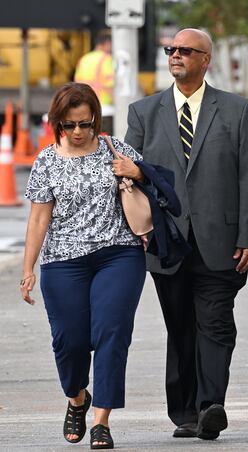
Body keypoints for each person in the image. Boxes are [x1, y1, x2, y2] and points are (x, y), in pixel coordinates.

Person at [125, 28, 248, 441]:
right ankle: (185, 410)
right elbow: (128, 181)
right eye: (171, 49)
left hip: (221, 240)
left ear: (206, 59)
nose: (176, 55)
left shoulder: (237, 110)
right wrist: (138, 232)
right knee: (180, 325)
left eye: (186, 50)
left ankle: (210, 405)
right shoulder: (143, 113)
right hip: (166, 241)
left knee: (216, 321)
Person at [20, 82, 147, 449]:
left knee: (111, 331)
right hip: (63, 261)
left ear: (96, 120)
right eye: (69, 125)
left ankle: (101, 422)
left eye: (85, 124)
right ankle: (77, 398)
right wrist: (28, 269)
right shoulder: (46, 160)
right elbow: (38, 220)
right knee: (69, 341)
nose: (77, 132)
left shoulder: (115, 148)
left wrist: (136, 172)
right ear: (57, 122)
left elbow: (148, 181)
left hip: (119, 254)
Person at [74, 30, 114, 107]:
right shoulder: (107, 59)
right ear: (107, 43)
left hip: (85, 102)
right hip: (103, 103)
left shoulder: (84, 59)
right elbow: (110, 84)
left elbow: (77, 81)